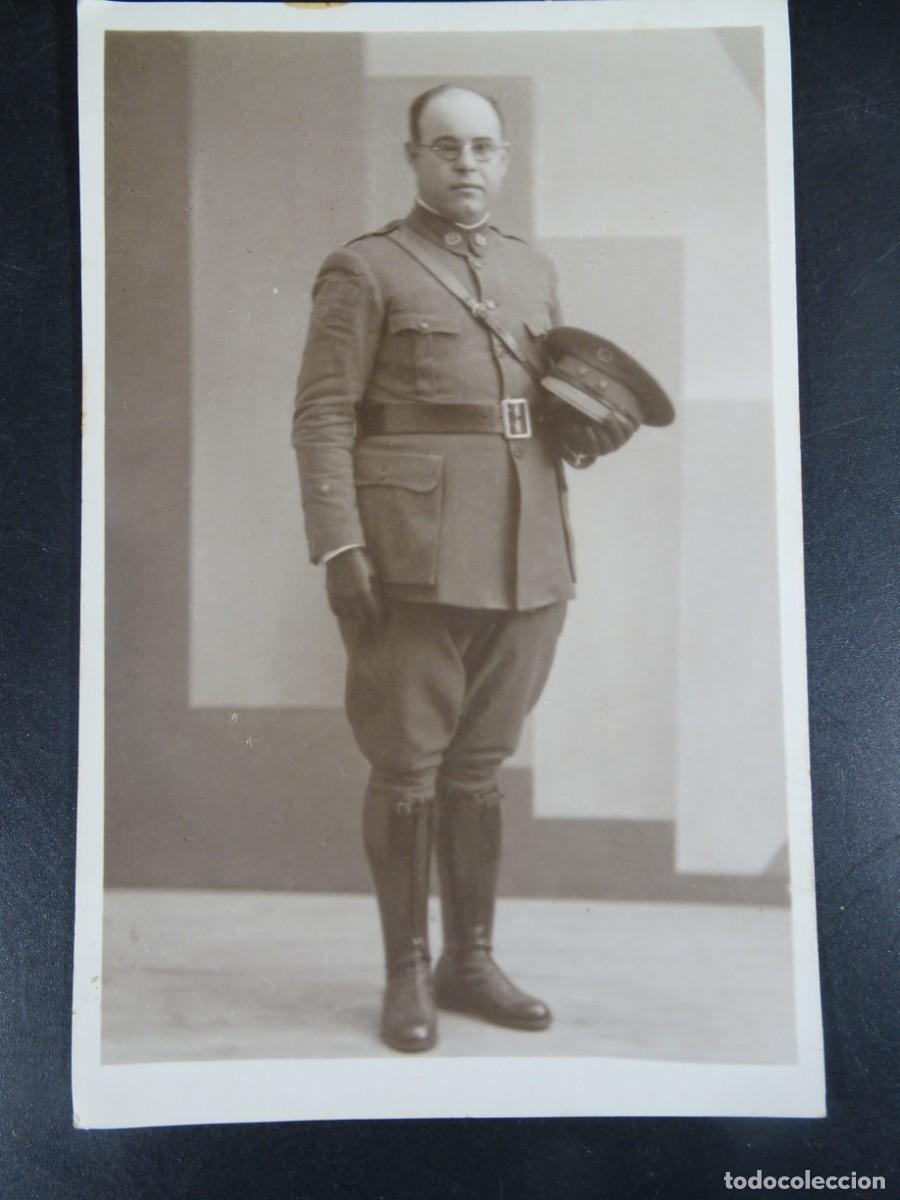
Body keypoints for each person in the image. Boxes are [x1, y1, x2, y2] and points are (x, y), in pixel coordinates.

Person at [291, 84, 637, 1053]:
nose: (467, 164)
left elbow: (537, 404)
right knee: (407, 769)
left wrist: (583, 427)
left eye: (484, 147)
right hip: (410, 561)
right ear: (413, 157)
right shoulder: (366, 270)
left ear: (506, 157)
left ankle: (469, 960)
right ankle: (406, 971)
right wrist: (340, 543)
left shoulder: (532, 270)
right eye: (446, 147)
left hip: (530, 558)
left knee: (479, 768)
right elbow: (321, 414)